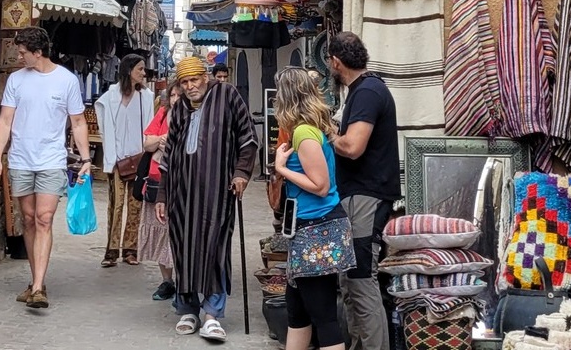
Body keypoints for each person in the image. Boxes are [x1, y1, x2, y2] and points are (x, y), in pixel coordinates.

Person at [0, 27, 91, 309]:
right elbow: (5, 120)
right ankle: (37, 281)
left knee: (44, 218)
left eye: (23, 53)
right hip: (21, 159)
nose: (19, 57)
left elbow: (78, 122)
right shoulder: (16, 80)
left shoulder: (66, 80)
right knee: (29, 219)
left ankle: (37, 287)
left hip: (52, 160)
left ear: (38, 52)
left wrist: (85, 159)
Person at [158, 57, 258, 342]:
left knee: (216, 248)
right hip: (181, 194)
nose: (190, 86)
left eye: (194, 80)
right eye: (184, 82)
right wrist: (163, 194)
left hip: (217, 191)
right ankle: (187, 309)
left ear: (205, 77)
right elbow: (169, 154)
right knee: (183, 249)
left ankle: (212, 315)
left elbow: (248, 138)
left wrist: (241, 173)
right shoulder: (180, 108)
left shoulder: (228, 95)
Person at [327, 32, 400, 350]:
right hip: (360, 195)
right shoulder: (363, 90)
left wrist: (329, 133)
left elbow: (353, 147)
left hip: (366, 196)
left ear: (335, 62)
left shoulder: (368, 91)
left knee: (360, 278)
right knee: (350, 280)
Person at [271, 67, 347, 350]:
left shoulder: (303, 132)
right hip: (308, 226)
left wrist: (281, 169)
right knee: (298, 309)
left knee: (322, 313)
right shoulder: (304, 129)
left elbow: (320, 185)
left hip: (317, 227)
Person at [94, 52, 155, 267]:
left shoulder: (146, 97)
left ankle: (131, 249)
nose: (143, 73)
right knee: (116, 205)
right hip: (117, 161)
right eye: (140, 69)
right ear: (129, 70)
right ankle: (111, 251)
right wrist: (111, 155)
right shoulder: (110, 97)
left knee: (135, 204)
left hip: (139, 159)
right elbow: (104, 126)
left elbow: (149, 127)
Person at [138, 80, 181, 301]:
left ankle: (184, 282)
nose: (175, 100)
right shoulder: (162, 114)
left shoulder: (193, 117)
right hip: (156, 180)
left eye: (179, 96)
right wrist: (161, 139)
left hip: (180, 183)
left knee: (178, 234)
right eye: (172, 95)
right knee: (160, 231)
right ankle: (167, 281)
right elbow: (147, 144)